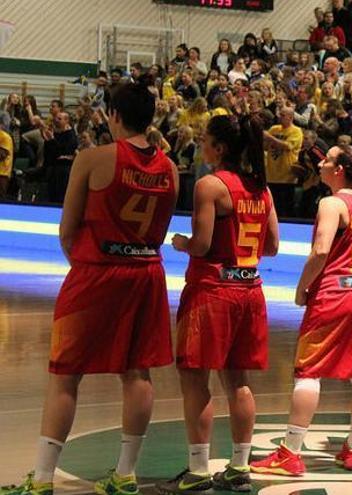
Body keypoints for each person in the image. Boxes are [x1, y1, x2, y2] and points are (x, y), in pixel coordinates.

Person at [0, 76, 178, 495]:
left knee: (66, 374)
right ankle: (126, 475)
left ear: (114, 116)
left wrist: (86, 265)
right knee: (138, 373)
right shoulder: (170, 168)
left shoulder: (93, 158)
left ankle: (42, 480)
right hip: (147, 274)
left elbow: (67, 230)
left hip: (97, 272)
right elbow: (160, 228)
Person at [250, 145, 352, 476]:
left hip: (336, 293)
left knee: (309, 371)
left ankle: (290, 452)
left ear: (339, 170)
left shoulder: (332, 203)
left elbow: (320, 251)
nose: (321, 162)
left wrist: (302, 288)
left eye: (327, 159)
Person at [158, 114, 279, 493]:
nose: (202, 144)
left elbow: (203, 244)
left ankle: (196, 472)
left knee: (195, 377)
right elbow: (272, 246)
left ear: (220, 148)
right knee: (238, 382)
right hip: (250, 291)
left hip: (214, 291)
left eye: (206, 139)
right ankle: (239, 468)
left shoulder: (210, 186)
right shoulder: (262, 189)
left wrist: (181, 243)